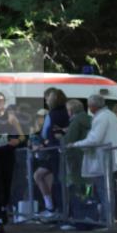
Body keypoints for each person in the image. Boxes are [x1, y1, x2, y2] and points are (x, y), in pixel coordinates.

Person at [71, 95, 117, 227]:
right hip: (110, 158)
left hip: (102, 160)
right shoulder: (110, 115)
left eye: (89, 105)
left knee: (104, 191)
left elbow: (95, 139)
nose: (89, 108)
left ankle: (106, 220)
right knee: (108, 191)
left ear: (93, 106)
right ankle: (107, 219)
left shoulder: (102, 117)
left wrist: (76, 144)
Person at [0, 92, 25, 233]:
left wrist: (17, 141)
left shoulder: (11, 118)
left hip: (8, 154)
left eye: (1, 100)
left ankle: (3, 209)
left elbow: (22, 136)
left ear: (4, 102)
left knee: (7, 185)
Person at [34, 88, 69, 219]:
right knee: (41, 176)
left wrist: (43, 143)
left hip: (55, 152)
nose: (46, 101)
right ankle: (52, 207)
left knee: (54, 180)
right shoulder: (64, 112)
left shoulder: (54, 114)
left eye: (47, 98)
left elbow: (48, 133)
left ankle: (57, 209)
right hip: (55, 151)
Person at [59, 99, 92, 230]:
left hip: (75, 159)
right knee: (87, 190)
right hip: (87, 158)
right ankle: (88, 218)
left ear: (71, 111)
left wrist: (61, 138)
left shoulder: (76, 121)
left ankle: (78, 220)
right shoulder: (90, 119)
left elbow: (69, 140)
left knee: (76, 190)